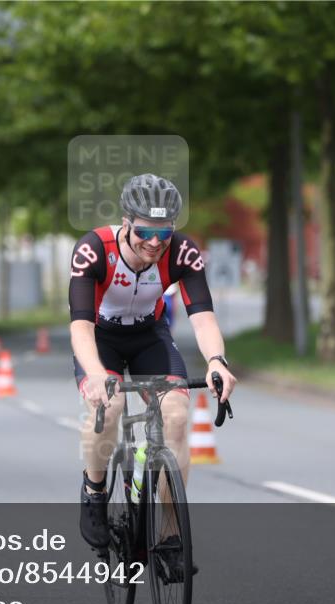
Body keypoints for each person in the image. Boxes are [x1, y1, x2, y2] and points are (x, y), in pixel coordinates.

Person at [69, 173, 237, 567]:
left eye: (164, 232)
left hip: (149, 335)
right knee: (106, 410)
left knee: (177, 416)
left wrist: (216, 361)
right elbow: (80, 326)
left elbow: (203, 318)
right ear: (126, 222)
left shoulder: (182, 252)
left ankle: (169, 535)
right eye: (145, 231)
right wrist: (96, 374)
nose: (155, 242)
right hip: (101, 339)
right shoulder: (94, 249)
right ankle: (94, 492)